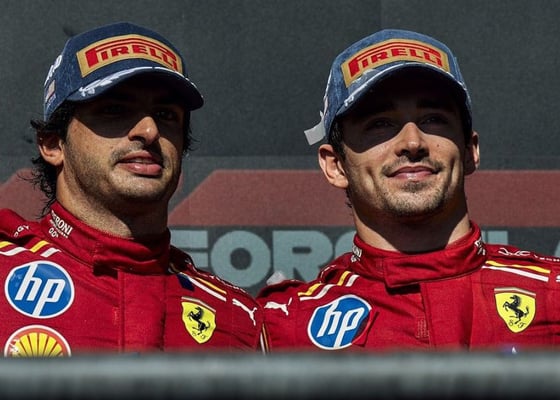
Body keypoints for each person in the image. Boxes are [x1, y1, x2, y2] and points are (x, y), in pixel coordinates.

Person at [256, 29, 560, 352]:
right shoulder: (282, 327)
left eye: (433, 119)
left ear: (470, 151)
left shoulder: (553, 297)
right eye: (380, 124)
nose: (413, 142)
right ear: (336, 165)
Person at [0, 22, 265, 356]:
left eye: (166, 114)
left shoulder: (238, 318)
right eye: (115, 110)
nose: (149, 130)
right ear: (53, 144)